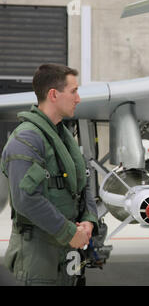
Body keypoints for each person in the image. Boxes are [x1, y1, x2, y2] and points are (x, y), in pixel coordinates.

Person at [0, 64, 98, 286]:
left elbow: (83, 182)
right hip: (39, 259)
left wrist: (89, 220)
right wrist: (69, 232)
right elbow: (27, 199)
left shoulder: (63, 137)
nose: (79, 98)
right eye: (73, 91)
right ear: (53, 94)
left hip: (68, 256)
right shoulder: (26, 140)